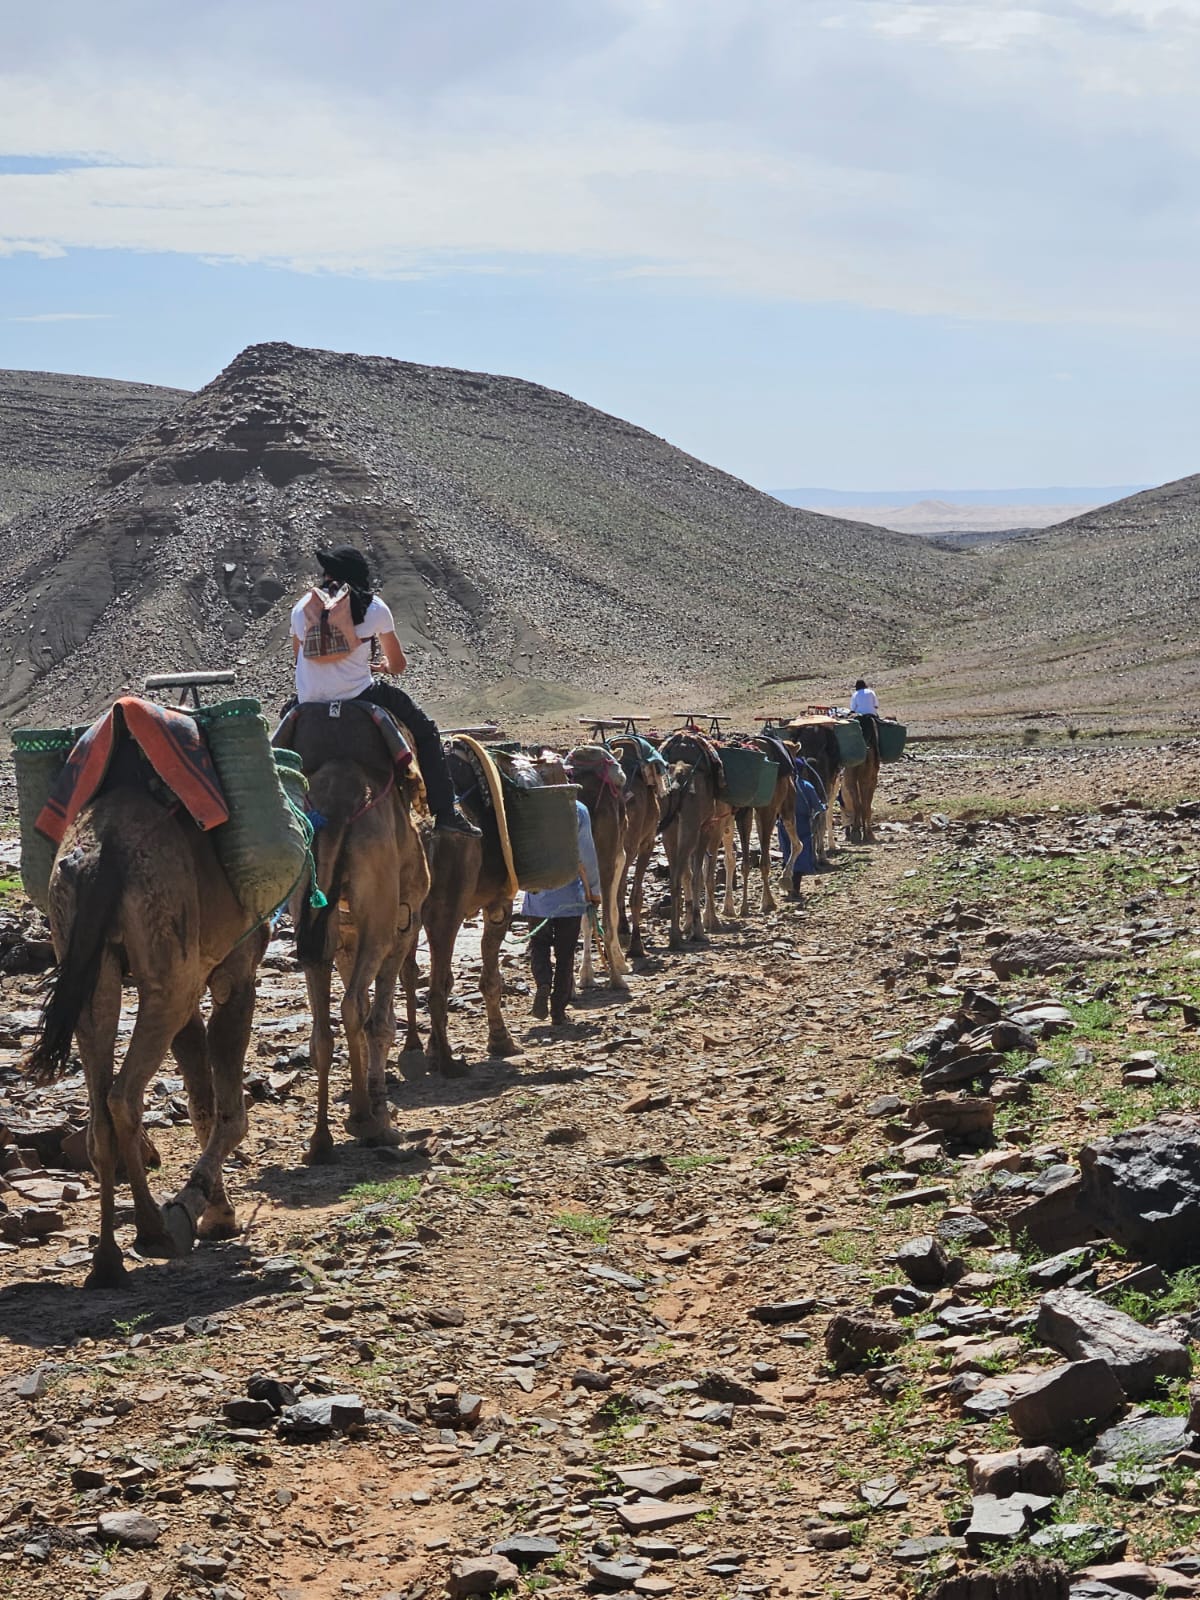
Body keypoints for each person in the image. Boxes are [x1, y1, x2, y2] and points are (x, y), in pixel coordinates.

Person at [289, 545, 479, 835]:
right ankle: (445, 813)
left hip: (309, 700)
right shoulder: (374, 607)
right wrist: (384, 668)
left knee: (278, 742)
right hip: (359, 695)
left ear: (327, 575)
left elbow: (298, 657)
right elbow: (398, 664)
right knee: (426, 731)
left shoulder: (301, 607)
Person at [523, 800, 602, 1026]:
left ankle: (543, 983)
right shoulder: (577, 809)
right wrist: (594, 891)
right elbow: (587, 856)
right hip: (569, 895)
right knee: (565, 954)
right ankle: (558, 1010)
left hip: (537, 893)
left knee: (538, 945)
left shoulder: (528, 805)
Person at [778, 757, 826, 900]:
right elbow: (817, 806)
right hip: (802, 825)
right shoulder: (806, 786)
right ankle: (795, 890)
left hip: (783, 825)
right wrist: (823, 807)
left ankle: (788, 887)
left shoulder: (781, 786)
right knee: (800, 856)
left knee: (787, 853)